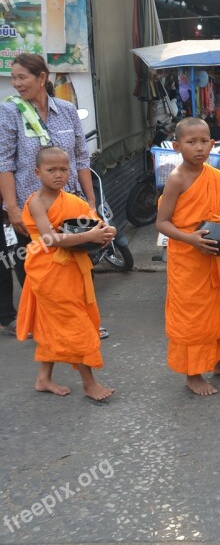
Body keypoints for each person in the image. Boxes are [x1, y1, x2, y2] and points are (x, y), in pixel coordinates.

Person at [0, 53, 98, 337]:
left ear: (42, 78)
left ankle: (75, 318)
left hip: (69, 205)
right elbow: (4, 163)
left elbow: (81, 159)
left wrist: (90, 202)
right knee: (38, 267)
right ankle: (43, 325)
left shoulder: (67, 110)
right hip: (32, 208)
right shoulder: (11, 112)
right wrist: (13, 208)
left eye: (22, 77)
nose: (16, 84)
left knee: (75, 261)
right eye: (14, 77)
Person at [156, 118, 220, 396]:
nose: (199, 147)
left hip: (215, 254)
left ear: (212, 144)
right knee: (193, 316)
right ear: (177, 146)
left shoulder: (214, 173)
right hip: (189, 258)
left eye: (204, 141)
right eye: (191, 142)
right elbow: (162, 223)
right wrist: (191, 239)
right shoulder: (176, 179)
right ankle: (193, 373)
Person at [16, 146, 115, 400]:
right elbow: (49, 238)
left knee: (54, 323)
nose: (58, 175)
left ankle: (43, 378)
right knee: (75, 324)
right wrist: (89, 235)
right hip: (47, 271)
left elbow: (93, 220)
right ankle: (89, 383)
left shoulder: (72, 200)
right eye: (51, 170)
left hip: (71, 267)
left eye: (64, 169)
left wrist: (105, 232)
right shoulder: (36, 202)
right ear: (38, 172)